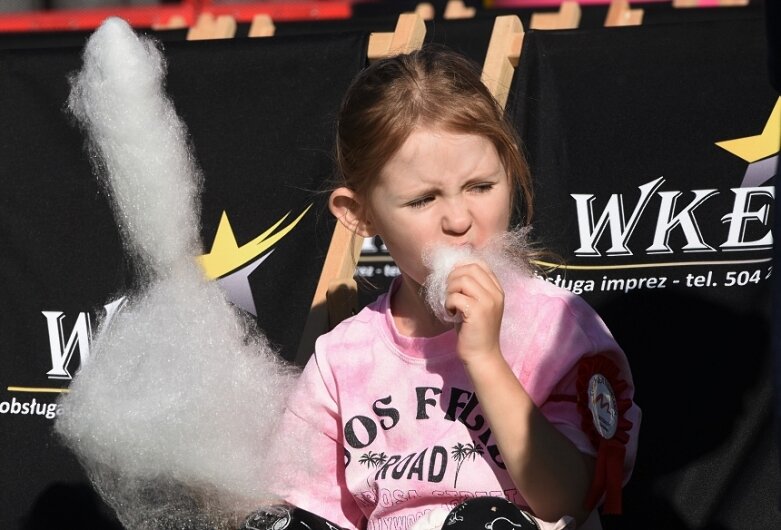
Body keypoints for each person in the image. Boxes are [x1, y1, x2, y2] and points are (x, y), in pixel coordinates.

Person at [249, 46, 641, 530]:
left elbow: (571, 500)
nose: (459, 220)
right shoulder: (343, 358)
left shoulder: (555, 328)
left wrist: (486, 360)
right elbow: (308, 511)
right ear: (360, 214)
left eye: (481, 187)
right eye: (422, 200)